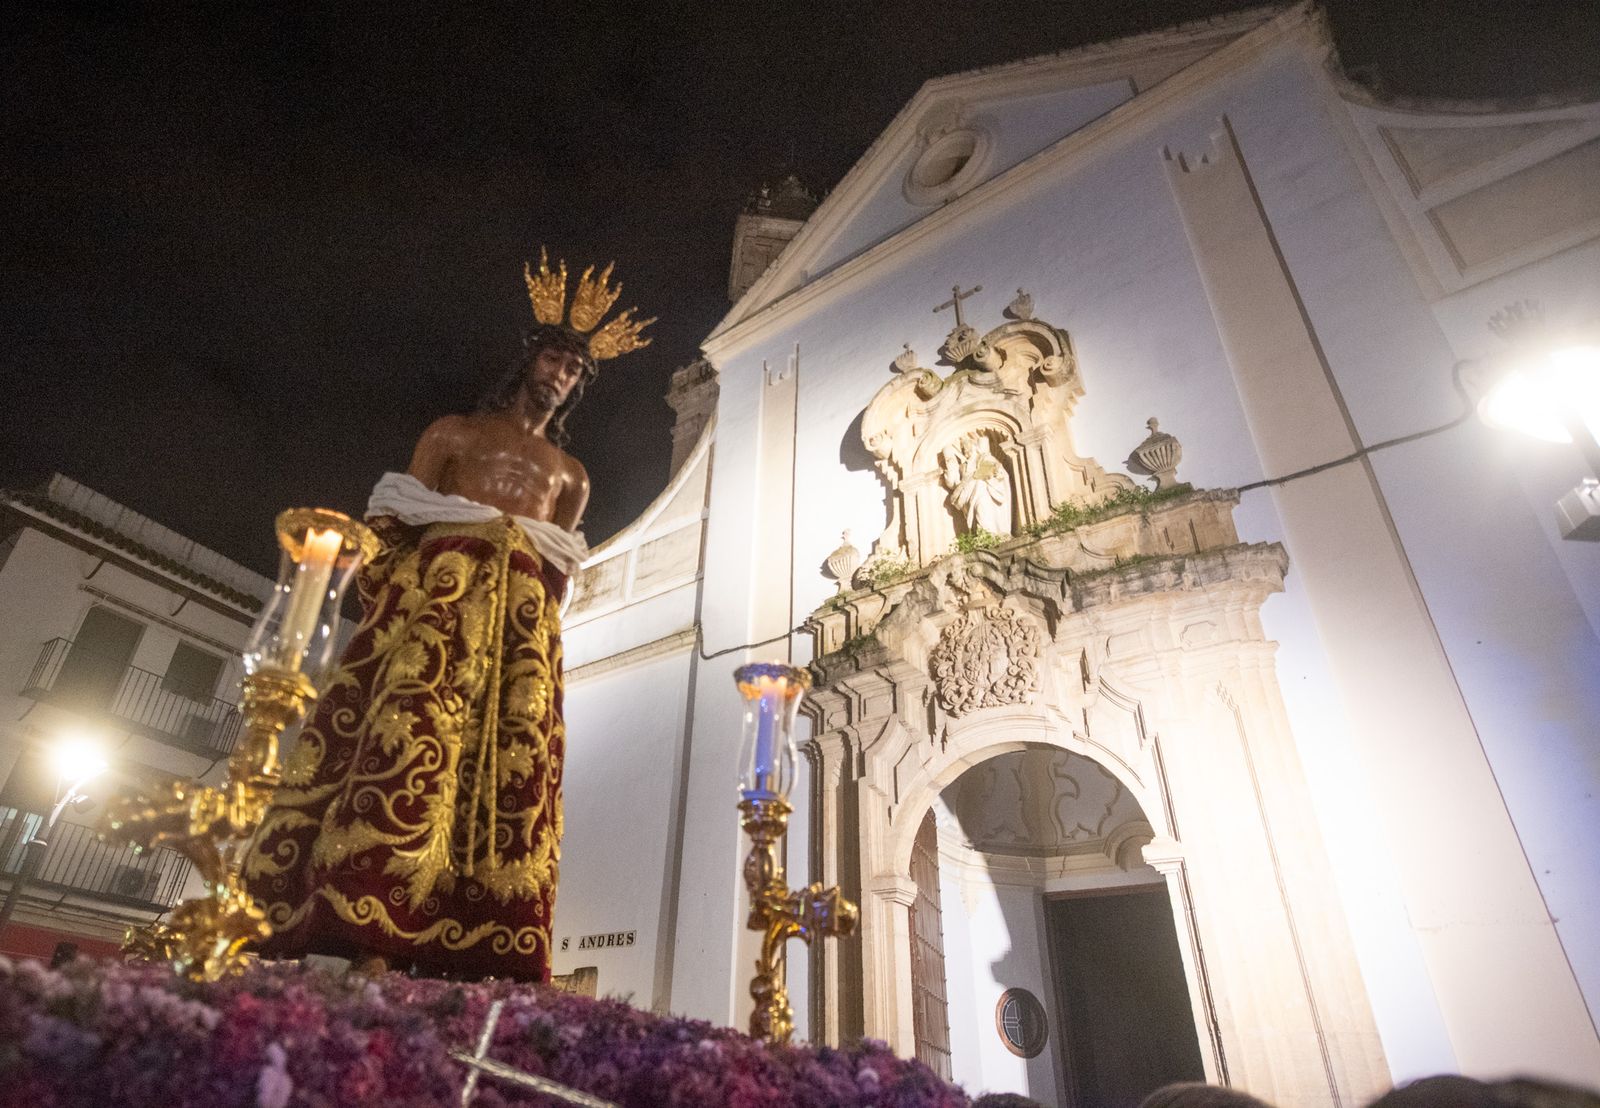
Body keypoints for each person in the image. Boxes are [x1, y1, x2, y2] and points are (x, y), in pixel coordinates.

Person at [240, 251, 652, 982]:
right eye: (555, 361)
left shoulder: (571, 477)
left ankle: (472, 935)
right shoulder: (455, 434)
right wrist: (408, 605)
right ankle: (366, 925)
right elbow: (392, 528)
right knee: (404, 750)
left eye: (574, 373)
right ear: (529, 361)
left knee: (497, 778)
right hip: (434, 618)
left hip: (514, 640)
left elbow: (552, 569)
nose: (561, 377)